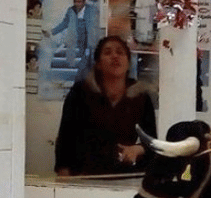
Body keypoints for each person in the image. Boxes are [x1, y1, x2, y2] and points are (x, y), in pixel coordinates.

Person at [54, 36, 156, 176]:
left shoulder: (141, 95)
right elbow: (65, 138)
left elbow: (152, 142)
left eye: (120, 52)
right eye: (107, 52)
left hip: (125, 175)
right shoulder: (81, 92)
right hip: (83, 175)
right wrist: (63, 174)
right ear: (98, 64)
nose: (115, 56)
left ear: (128, 63)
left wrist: (138, 149)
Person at [43, 0, 99, 74]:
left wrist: (90, 46)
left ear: (84, 2)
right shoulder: (71, 10)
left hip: (87, 42)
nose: (77, 4)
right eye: (75, 1)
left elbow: (93, 29)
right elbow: (64, 24)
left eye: (79, 2)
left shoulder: (91, 10)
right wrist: (51, 32)